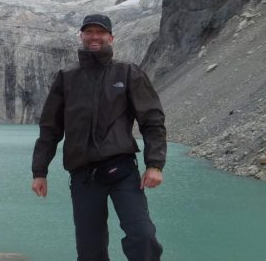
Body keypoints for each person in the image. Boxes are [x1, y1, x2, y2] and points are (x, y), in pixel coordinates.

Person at [31, 14, 166, 261]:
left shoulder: (127, 73)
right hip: (83, 176)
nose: (95, 37)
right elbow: (50, 128)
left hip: (122, 171)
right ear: (81, 36)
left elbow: (152, 120)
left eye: (100, 32)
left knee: (143, 235)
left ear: (111, 37)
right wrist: (40, 171)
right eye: (89, 32)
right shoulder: (66, 77)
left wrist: (155, 164)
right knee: (90, 249)